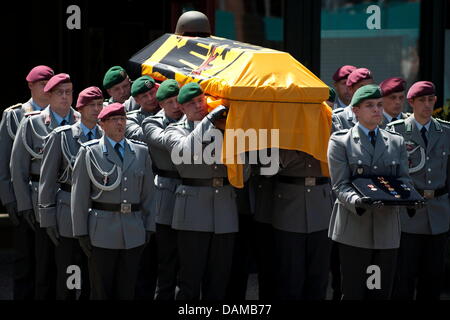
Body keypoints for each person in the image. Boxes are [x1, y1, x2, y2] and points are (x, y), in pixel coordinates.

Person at [327, 84, 413, 300]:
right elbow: (339, 185)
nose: (377, 110)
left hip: (386, 229)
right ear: (355, 110)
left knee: (380, 293)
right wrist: (358, 200)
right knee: (354, 292)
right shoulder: (340, 141)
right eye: (370, 105)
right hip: (355, 227)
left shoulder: (396, 141)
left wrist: (410, 198)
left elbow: (403, 179)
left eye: (379, 105)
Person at [163, 82, 241, 300]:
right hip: (192, 212)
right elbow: (185, 152)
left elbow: (244, 175)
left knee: (218, 282)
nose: (198, 105)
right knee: (189, 280)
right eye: (191, 103)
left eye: (201, 100)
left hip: (224, 209)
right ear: (182, 107)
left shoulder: (225, 127)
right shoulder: (174, 130)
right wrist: (208, 121)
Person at [71, 103, 156, 300]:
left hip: (133, 230)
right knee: (101, 290)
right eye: (113, 120)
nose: (119, 123)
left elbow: (149, 194)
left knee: (128, 290)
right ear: (102, 124)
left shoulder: (140, 151)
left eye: (122, 119)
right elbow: (80, 196)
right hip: (101, 232)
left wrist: (149, 225)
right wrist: (81, 232)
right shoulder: (90, 152)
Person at [11, 73, 80, 299]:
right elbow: (18, 167)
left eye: (68, 92)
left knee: (72, 267)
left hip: (71, 205)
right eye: (59, 93)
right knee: (43, 265)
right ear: (48, 95)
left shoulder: (81, 121)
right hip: (41, 203)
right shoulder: (32, 122)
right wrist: (23, 206)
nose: (64, 97)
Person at [38, 86, 104, 300]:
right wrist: (47, 218)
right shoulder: (63, 136)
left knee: (91, 274)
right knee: (69, 273)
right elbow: (47, 180)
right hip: (67, 213)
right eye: (91, 105)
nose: (96, 109)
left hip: (95, 213)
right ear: (80, 108)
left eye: (99, 105)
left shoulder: (106, 136)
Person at [387, 81, 450, 300]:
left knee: (433, 278)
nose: (427, 104)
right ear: (411, 102)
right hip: (408, 214)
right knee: (403, 277)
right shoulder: (396, 132)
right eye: (421, 100)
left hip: (438, 213)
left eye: (431, 100)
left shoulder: (445, 131)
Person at [0, 65, 54, 299]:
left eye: (49, 84)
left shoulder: (61, 113)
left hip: (51, 195)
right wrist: (9, 198)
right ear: (30, 86)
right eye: (42, 84)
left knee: (50, 261)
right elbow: (4, 161)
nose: (46, 89)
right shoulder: (14, 115)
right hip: (25, 194)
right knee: (24, 258)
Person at [271, 148, 333, 300]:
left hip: (321, 207)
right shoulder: (281, 127)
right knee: (289, 278)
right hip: (289, 209)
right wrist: (298, 146)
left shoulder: (333, 125)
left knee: (318, 278)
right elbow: (267, 169)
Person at [141, 79, 184, 300]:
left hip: (190, 192)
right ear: (161, 104)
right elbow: (168, 144)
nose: (175, 105)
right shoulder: (152, 122)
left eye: (178, 100)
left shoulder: (193, 119)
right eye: (169, 102)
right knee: (166, 260)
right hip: (165, 194)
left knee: (188, 263)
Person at [125, 75, 161, 141]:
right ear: (137, 100)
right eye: (145, 96)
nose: (150, 98)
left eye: (152, 93)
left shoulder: (171, 109)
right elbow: (145, 135)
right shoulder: (130, 119)